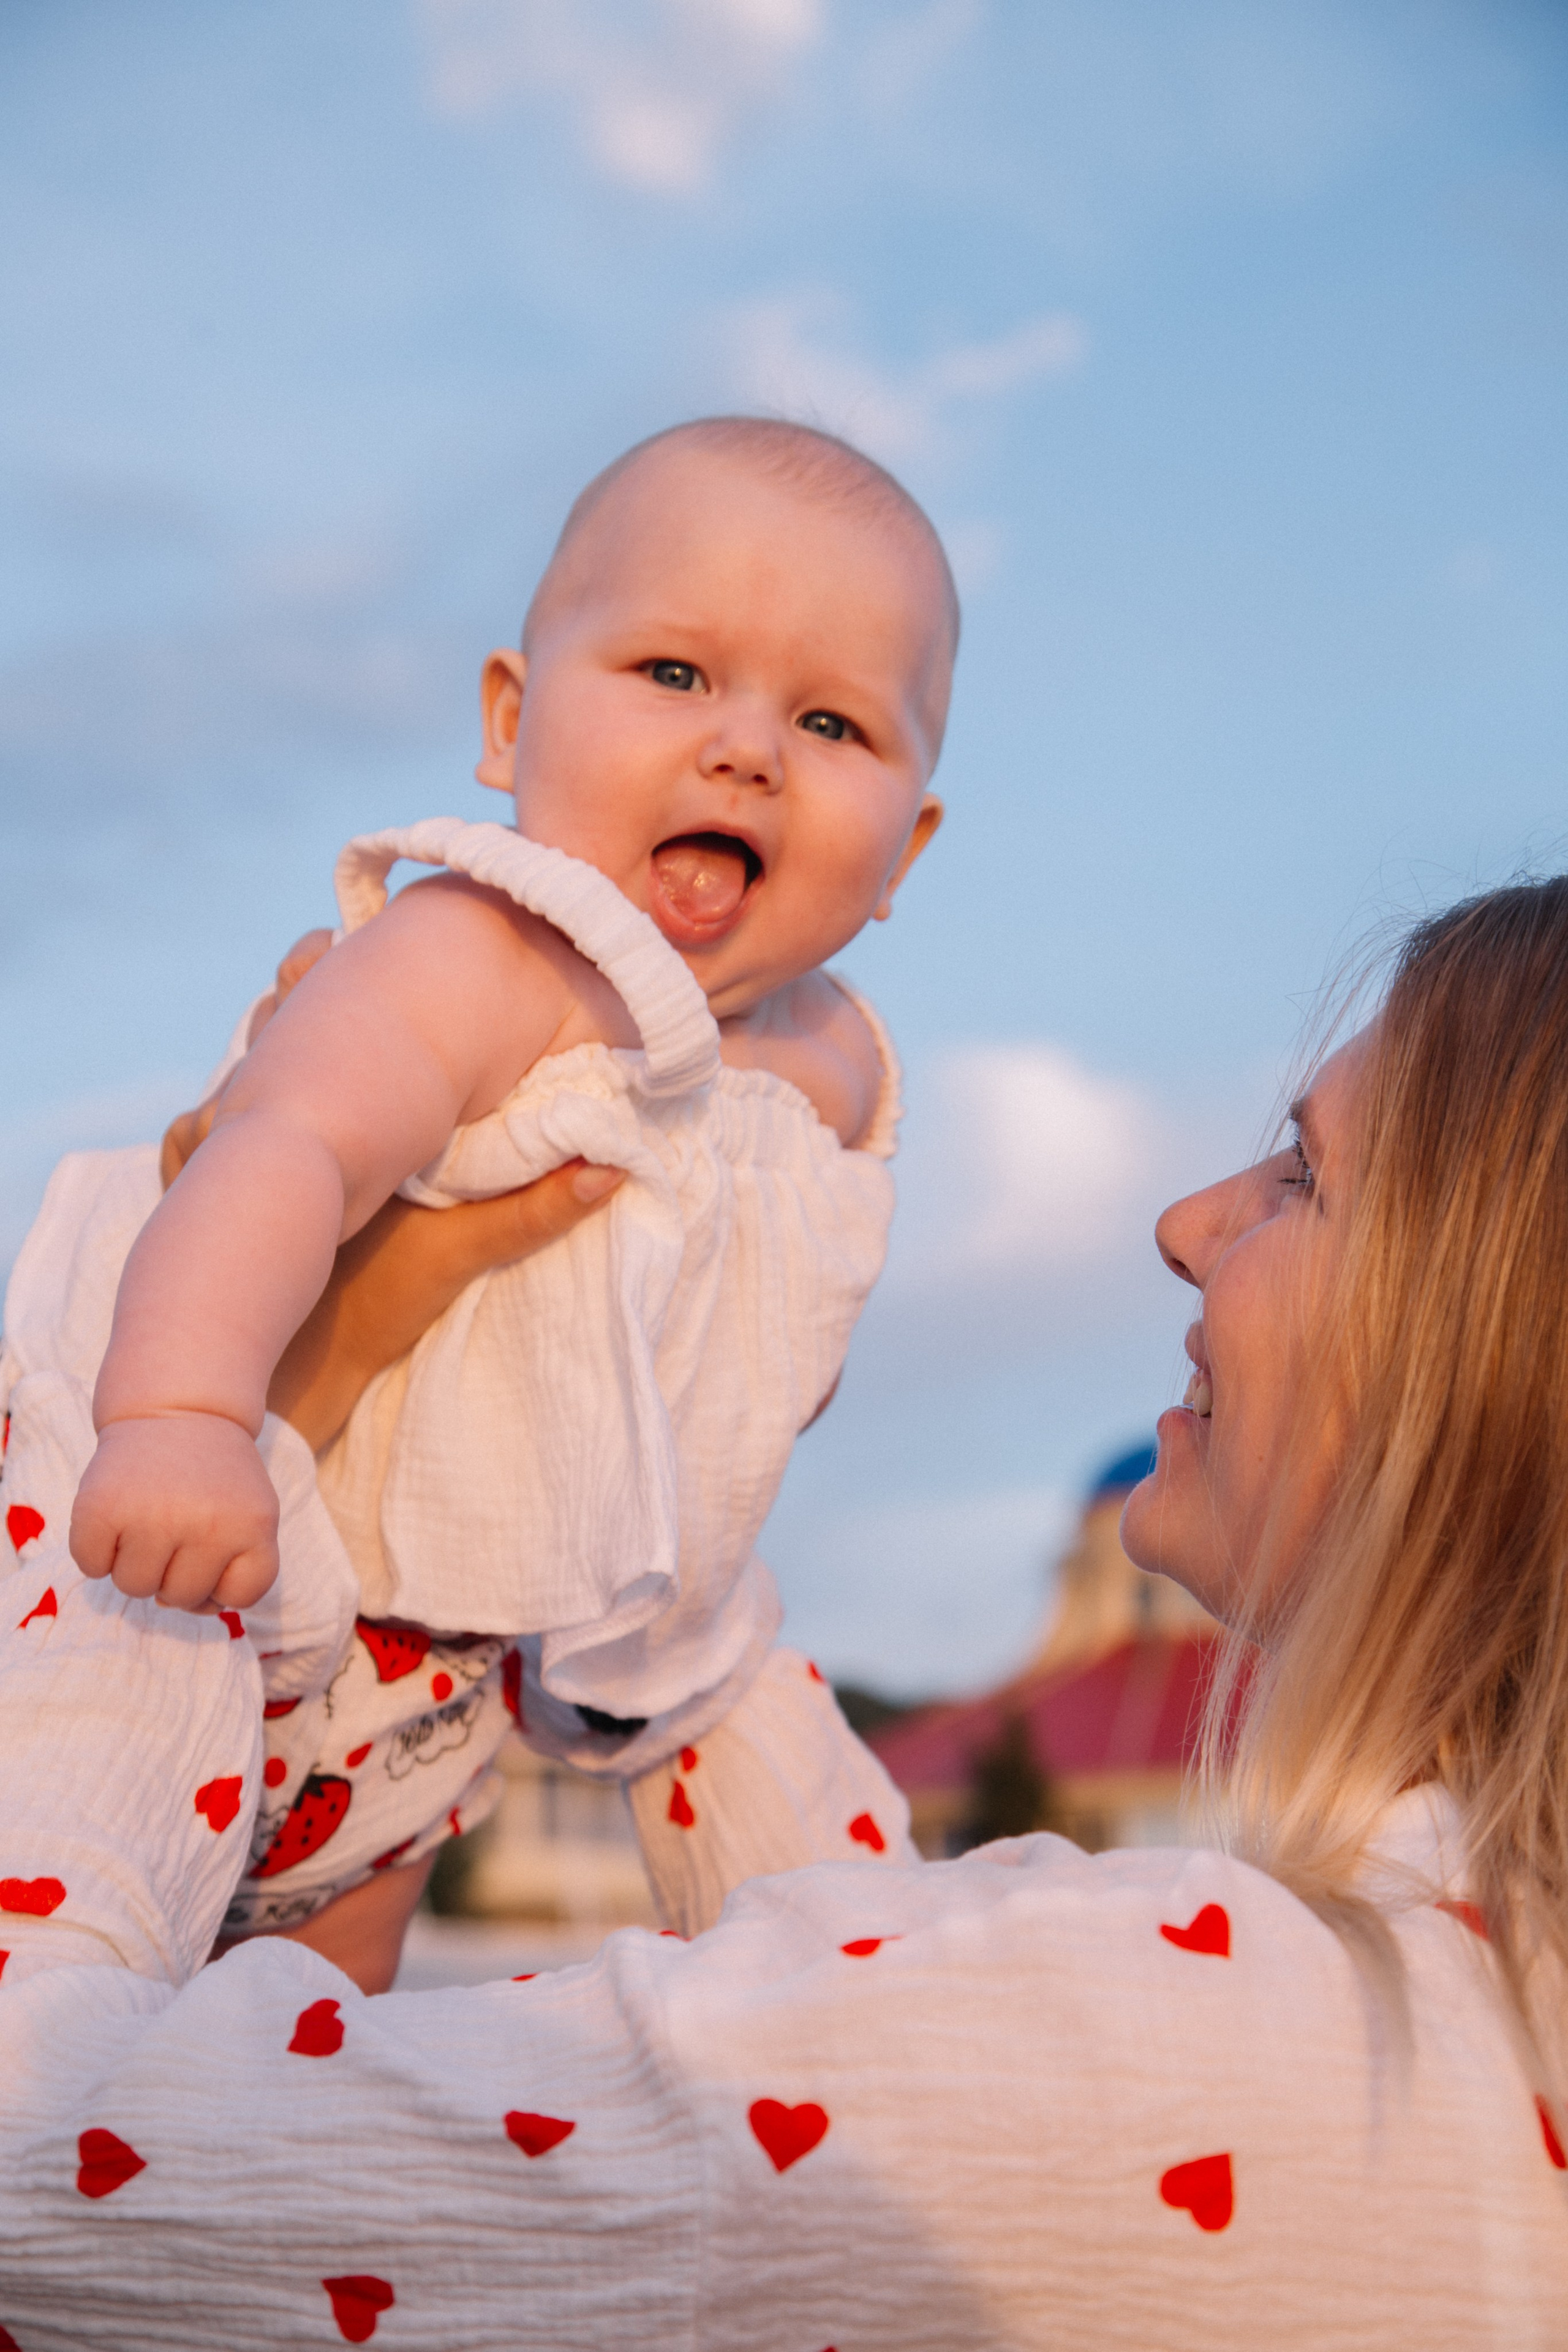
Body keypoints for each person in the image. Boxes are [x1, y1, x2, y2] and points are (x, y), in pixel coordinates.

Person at [4, 873, 1568, 2348]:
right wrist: (638, 1499)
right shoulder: (1424, 2016)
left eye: (1303, 1174)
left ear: (1488, 1358)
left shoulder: (1190, 2043)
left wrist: (172, 1379)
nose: (1184, 1219)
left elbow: (37, 2158)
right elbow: (872, 2027)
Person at [2, 417, 948, 1988]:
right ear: (509, 721)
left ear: (904, 846)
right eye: (672, 676)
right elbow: (284, 1147)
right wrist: (176, 1413)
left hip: (438, 1686)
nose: (747, 748)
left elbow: (767, 1324)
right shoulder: (486, 951)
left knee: (318, 2038)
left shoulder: (829, 1073)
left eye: (835, 723)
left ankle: (872, 2003)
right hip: (190, 1568)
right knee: (69, 1962)